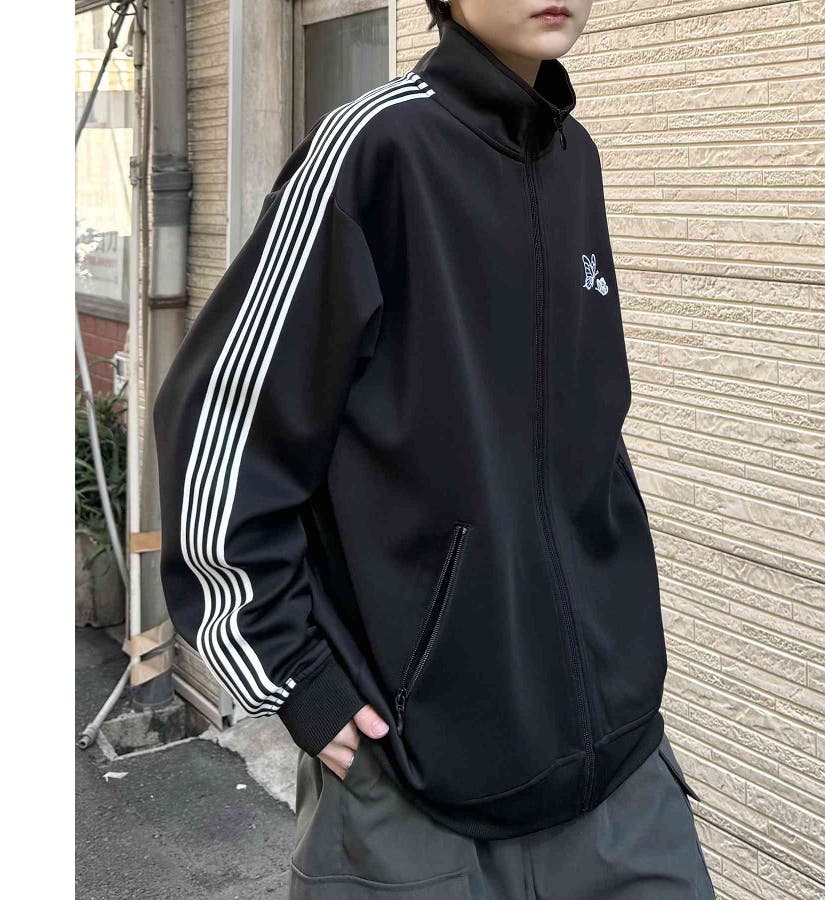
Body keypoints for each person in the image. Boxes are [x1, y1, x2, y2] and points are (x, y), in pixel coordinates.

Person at [153, 1, 716, 896]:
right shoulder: (374, 150)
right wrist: (295, 675)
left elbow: (585, 433)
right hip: (416, 778)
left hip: (617, 759)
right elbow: (223, 423)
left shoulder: (576, 159)